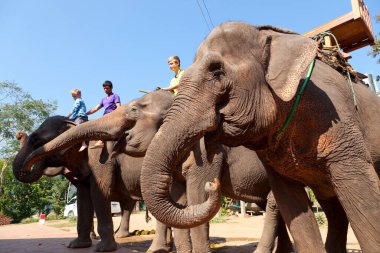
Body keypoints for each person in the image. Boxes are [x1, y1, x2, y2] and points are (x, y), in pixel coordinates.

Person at [86, 80, 121, 148]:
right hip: (104, 117)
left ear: (111, 88)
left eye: (107, 88)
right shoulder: (103, 99)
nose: (105, 90)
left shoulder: (115, 96)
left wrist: (117, 116)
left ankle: (100, 141)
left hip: (112, 116)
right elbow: (96, 108)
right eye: (104, 88)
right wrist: (85, 114)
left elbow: (119, 106)